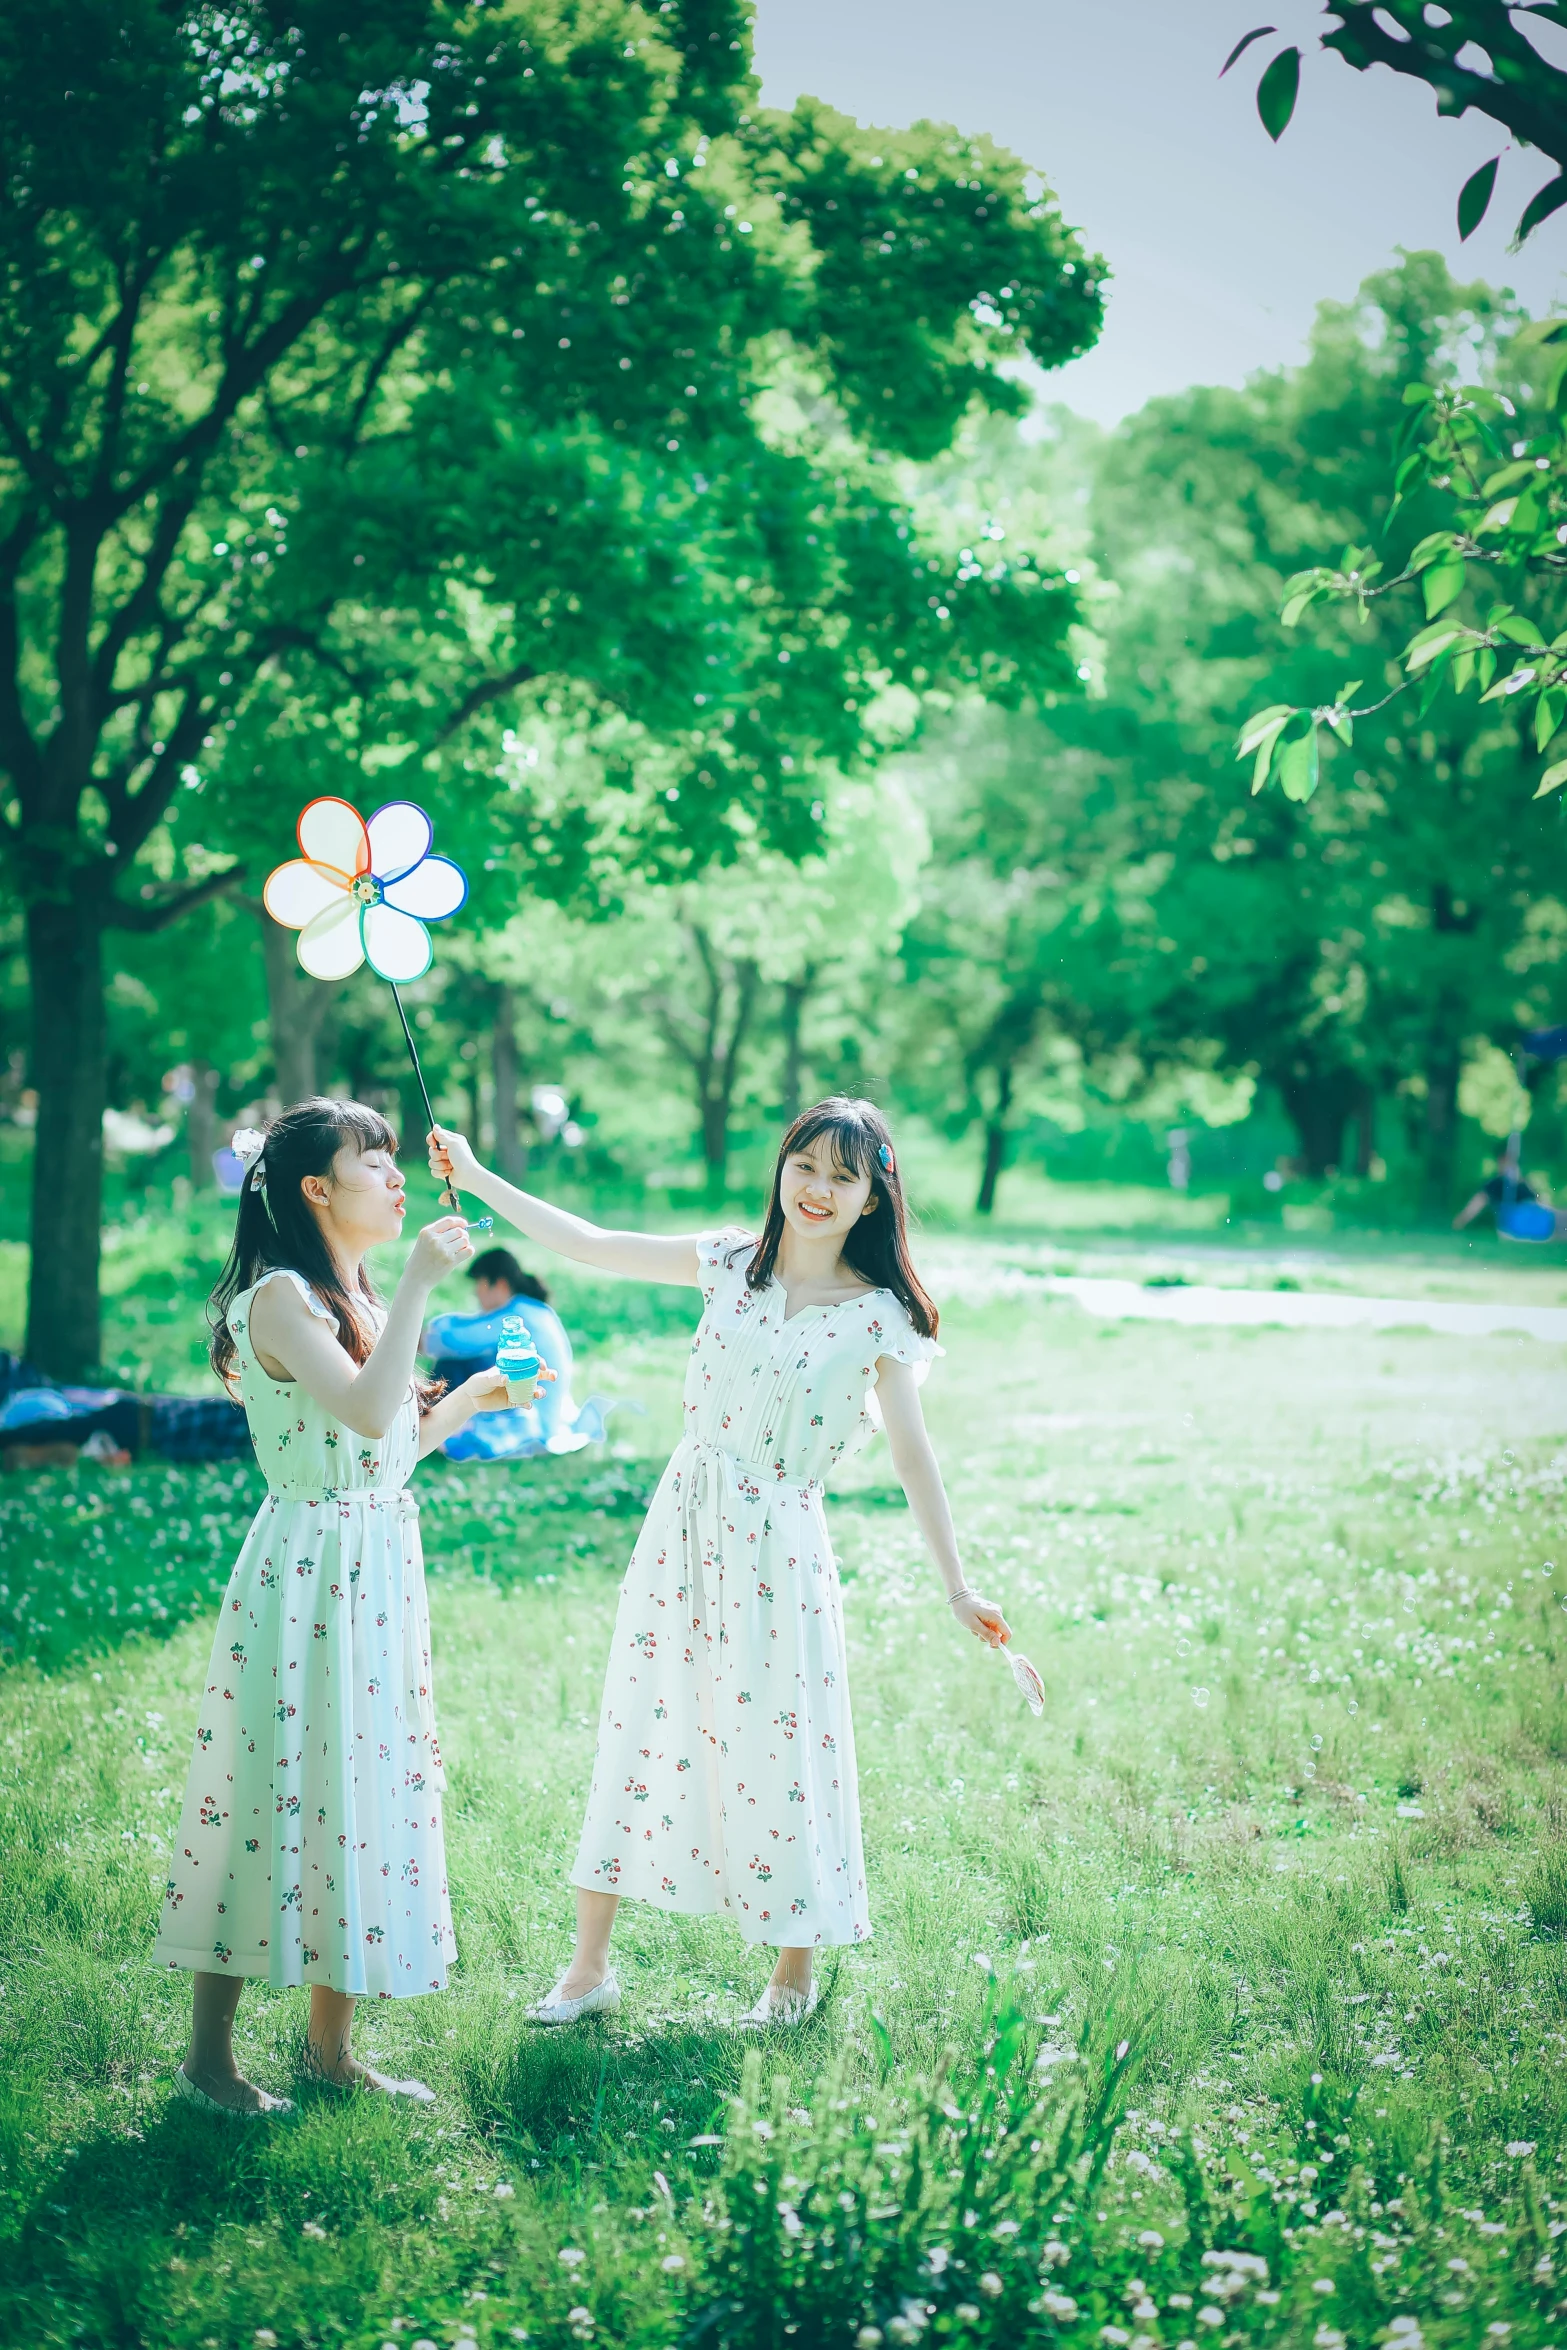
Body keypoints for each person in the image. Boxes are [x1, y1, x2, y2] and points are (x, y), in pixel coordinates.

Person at [428, 1095, 1010, 2028]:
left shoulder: (882, 1319)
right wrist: (475, 1174)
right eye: (806, 1166)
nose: (817, 1189)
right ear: (782, 1168)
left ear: (872, 1199)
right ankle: (587, 1969)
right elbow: (586, 1241)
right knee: (638, 1720)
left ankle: (792, 1974)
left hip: (779, 1541)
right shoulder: (729, 1262)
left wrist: (955, 1582)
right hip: (681, 1522)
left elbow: (912, 1453)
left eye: (842, 1177)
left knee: (787, 1743)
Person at [151, 1098, 510, 2115]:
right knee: (267, 1788)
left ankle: (329, 2051)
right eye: (376, 1163)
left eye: (398, 1162)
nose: (398, 1178)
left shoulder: (344, 1290)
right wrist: (417, 1285)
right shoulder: (278, 1300)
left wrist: (466, 1406)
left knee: (360, 1792)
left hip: (375, 1565)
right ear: (317, 1188)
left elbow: (379, 1449)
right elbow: (355, 1409)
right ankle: (208, 2063)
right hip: (308, 1571)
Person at [423, 1245, 610, 1461]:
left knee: (451, 1363)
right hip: (544, 1410)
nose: (476, 1292)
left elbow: (455, 1341)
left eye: (480, 1285)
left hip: (532, 1416)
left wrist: (414, 1338)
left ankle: (434, 1428)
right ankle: (437, 1426)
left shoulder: (517, 1316)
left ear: (500, 1285)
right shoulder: (533, 1308)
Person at [1454, 1145, 1565, 1241]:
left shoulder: (1520, 1181)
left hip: (1539, 1215)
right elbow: (1477, 1203)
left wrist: (1519, 1180)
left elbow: (1538, 1200)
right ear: (1500, 1161)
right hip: (1523, 1220)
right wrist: (1460, 1222)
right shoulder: (1495, 1184)